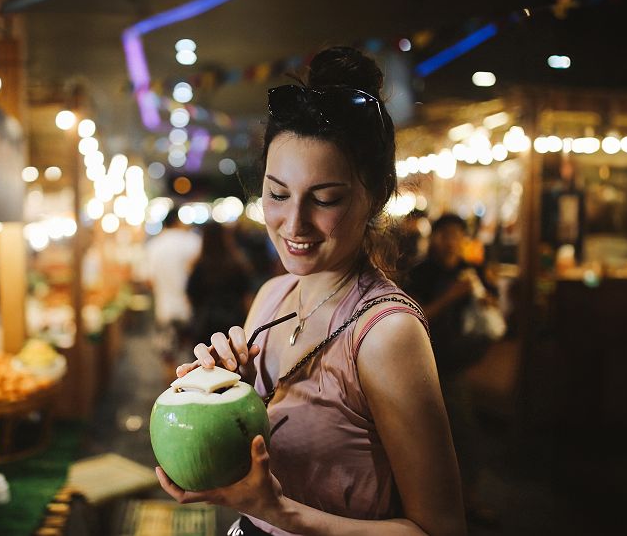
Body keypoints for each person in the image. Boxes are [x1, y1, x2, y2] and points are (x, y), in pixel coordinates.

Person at [158, 47, 466, 536]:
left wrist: (282, 513)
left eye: (325, 199)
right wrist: (219, 395)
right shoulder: (273, 296)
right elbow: (261, 467)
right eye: (278, 194)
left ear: (378, 194)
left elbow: (441, 530)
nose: (294, 223)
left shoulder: (387, 335)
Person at [405, 213, 499, 528]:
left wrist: (486, 300)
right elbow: (414, 318)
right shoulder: (420, 274)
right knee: (427, 440)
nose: (451, 241)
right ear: (434, 238)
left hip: (460, 367)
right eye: (445, 234)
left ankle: (467, 502)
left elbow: (490, 308)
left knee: (464, 436)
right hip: (423, 368)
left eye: (457, 235)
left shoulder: (469, 272)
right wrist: (451, 297)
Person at [144, 207, 202, 373]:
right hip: (191, 308)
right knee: (197, 358)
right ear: (177, 221)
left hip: (166, 309)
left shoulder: (154, 246)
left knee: (169, 356)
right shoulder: (192, 241)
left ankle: (171, 392)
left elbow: (149, 281)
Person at [187, 222, 253, 347]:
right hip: (233, 321)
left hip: (206, 323)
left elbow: (191, 295)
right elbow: (246, 296)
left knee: (206, 361)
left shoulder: (199, 267)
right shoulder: (237, 265)